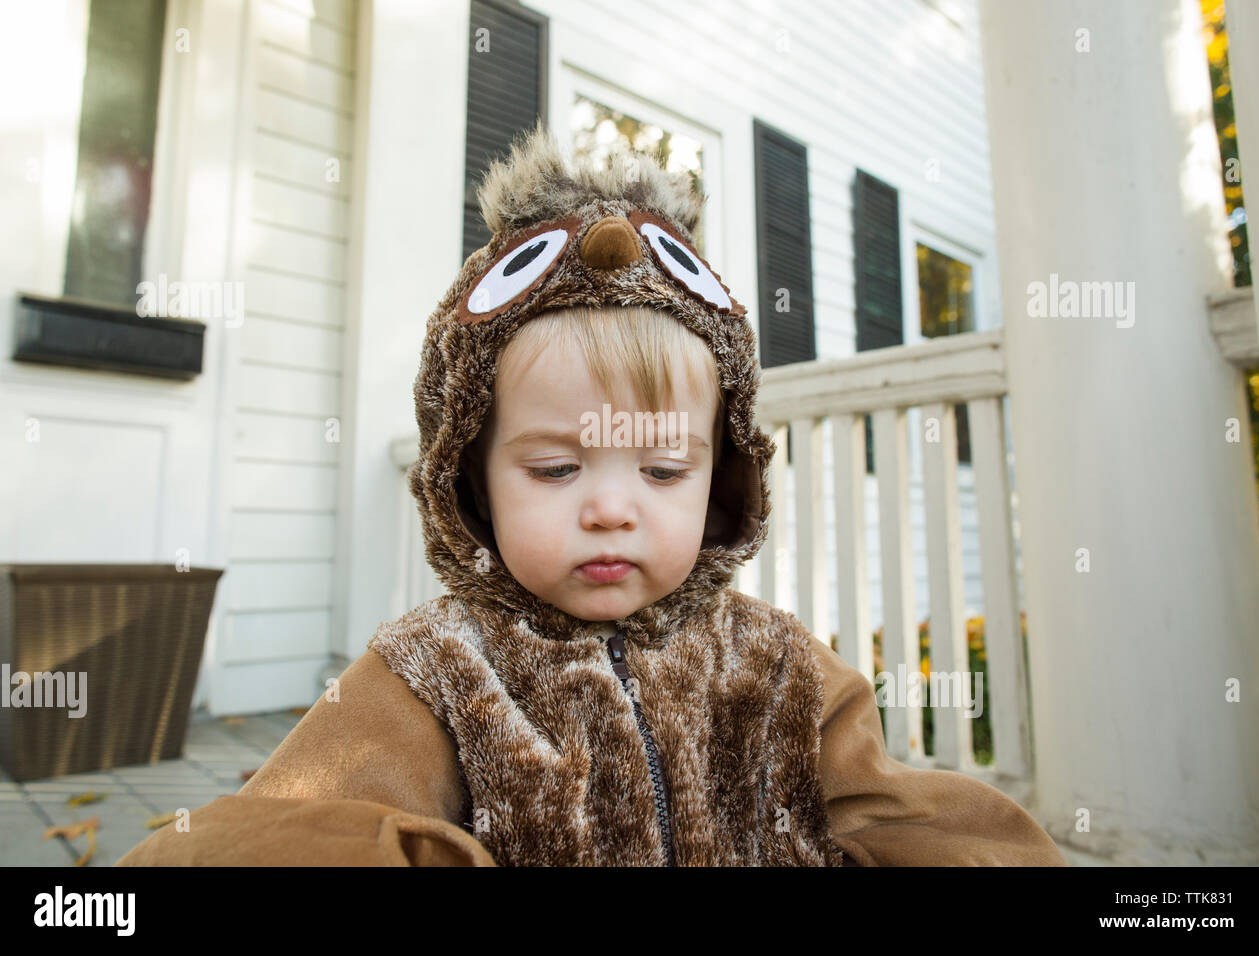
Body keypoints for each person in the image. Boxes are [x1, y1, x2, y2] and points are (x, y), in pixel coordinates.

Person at [116, 121, 1066, 867]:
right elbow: (304, 829)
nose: (612, 507)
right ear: (471, 479)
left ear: (722, 474)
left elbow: (901, 821)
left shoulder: (779, 669)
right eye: (556, 470)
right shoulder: (433, 673)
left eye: (661, 472)